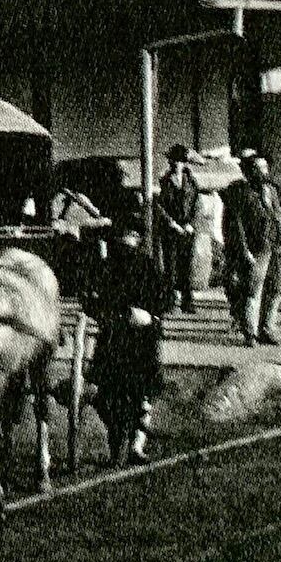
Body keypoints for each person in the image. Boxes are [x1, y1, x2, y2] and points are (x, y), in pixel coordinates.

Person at [87, 219, 166, 464]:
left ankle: (135, 445)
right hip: (114, 339)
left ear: (138, 239)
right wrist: (107, 314)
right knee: (108, 395)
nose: (127, 241)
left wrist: (148, 316)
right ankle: (119, 444)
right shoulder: (105, 267)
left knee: (142, 395)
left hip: (140, 339)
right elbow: (91, 299)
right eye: (123, 236)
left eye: (131, 236)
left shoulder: (147, 266)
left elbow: (162, 298)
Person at [221, 152, 281, 346]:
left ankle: (268, 329)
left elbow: (278, 216)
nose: (264, 172)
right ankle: (250, 333)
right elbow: (237, 225)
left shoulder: (271, 191)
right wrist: (244, 251)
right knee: (253, 291)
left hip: (275, 246)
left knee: (274, 289)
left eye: (265, 168)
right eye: (259, 169)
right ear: (250, 172)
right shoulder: (240, 192)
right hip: (256, 248)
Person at [154, 146, 204, 315]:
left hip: (188, 228)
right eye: (174, 160)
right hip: (171, 229)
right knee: (171, 266)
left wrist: (190, 223)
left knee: (187, 265)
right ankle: (169, 301)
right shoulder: (165, 181)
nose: (177, 164)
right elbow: (159, 205)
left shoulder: (191, 181)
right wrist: (172, 223)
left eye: (180, 161)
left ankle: (187, 301)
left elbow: (197, 204)